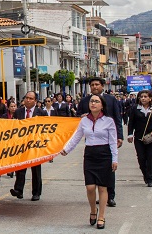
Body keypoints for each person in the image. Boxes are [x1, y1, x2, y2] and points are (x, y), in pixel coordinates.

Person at [61, 94, 118, 230]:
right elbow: (76, 137)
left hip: (104, 155)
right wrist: (66, 149)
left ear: (102, 105)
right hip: (90, 155)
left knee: (103, 188)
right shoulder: (84, 121)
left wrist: (114, 159)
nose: (93, 103)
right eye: (91, 101)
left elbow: (113, 141)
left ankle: (101, 216)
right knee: (90, 187)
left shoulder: (109, 121)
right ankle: (93, 209)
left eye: (96, 101)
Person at [77, 77, 123, 207]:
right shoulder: (85, 101)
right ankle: (98, 195)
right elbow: (78, 116)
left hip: (108, 139)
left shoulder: (111, 100)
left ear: (103, 86)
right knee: (93, 174)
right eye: (92, 85)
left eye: (97, 84)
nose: (94, 87)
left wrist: (120, 136)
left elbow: (117, 118)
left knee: (109, 169)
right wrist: (82, 116)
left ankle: (110, 196)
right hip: (92, 139)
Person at [10, 91, 46, 201]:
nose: (28, 100)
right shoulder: (18, 112)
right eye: (26, 98)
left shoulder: (41, 113)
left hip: (35, 145)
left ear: (35, 101)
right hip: (21, 145)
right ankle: (18, 190)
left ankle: (36, 193)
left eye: (31, 98)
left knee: (36, 170)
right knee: (20, 168)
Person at [127, 90, 152, 187]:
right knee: (141, 158)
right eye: (141, 97)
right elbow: (131, 122)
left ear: (150, 98)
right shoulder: (135, 108)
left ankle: (151, 179)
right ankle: (145, 174)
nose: (143, 98)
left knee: (151, 157)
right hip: (139, 138)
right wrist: (130, 134)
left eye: (145, 96)